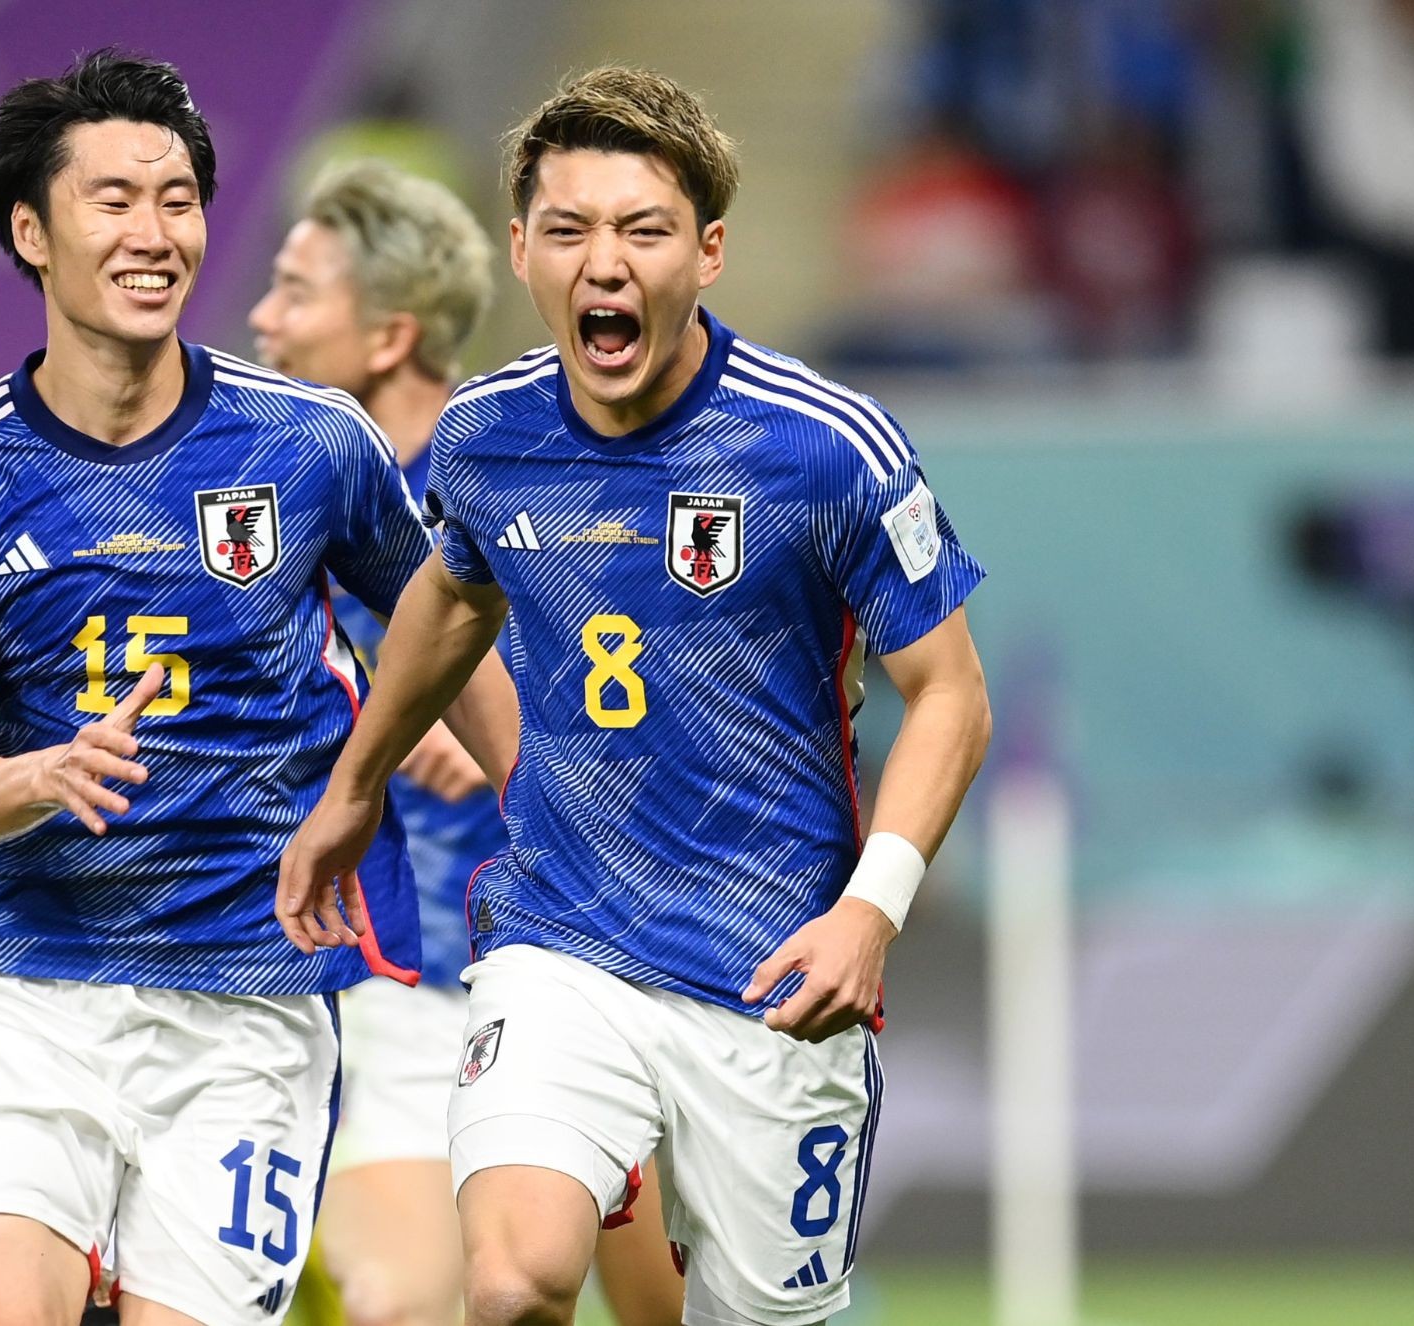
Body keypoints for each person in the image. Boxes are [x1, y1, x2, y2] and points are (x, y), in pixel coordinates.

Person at [279, 67, 991, 1326]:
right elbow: (451, 598)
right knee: (511, 1283)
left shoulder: (824, 445)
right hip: (558, 941)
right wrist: (355, 787)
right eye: (567, 230)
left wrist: (868, 913)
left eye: (641, 230)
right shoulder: (488, 435)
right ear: (521, 251)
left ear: (707, 251)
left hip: (772, 969)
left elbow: (948, 697)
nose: (602, 263)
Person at [0, 50, 514, 1326]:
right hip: (29, 996)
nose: (154, 233)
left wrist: (531, 813)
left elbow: (448, 620)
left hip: (248, 1013)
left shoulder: (309, 444)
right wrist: (41, 773)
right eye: (112, 200)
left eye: (178, 201)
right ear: (30, 231)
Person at [249, 160, 682, 1326]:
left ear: (390, 336)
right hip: (392, 973)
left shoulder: (541, 476)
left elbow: (661, 691)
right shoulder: (277, 503)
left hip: (582, 955)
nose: (261, 321)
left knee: (669, 1311)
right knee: (402, 1305)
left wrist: (510, 721)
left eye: (295, 293)